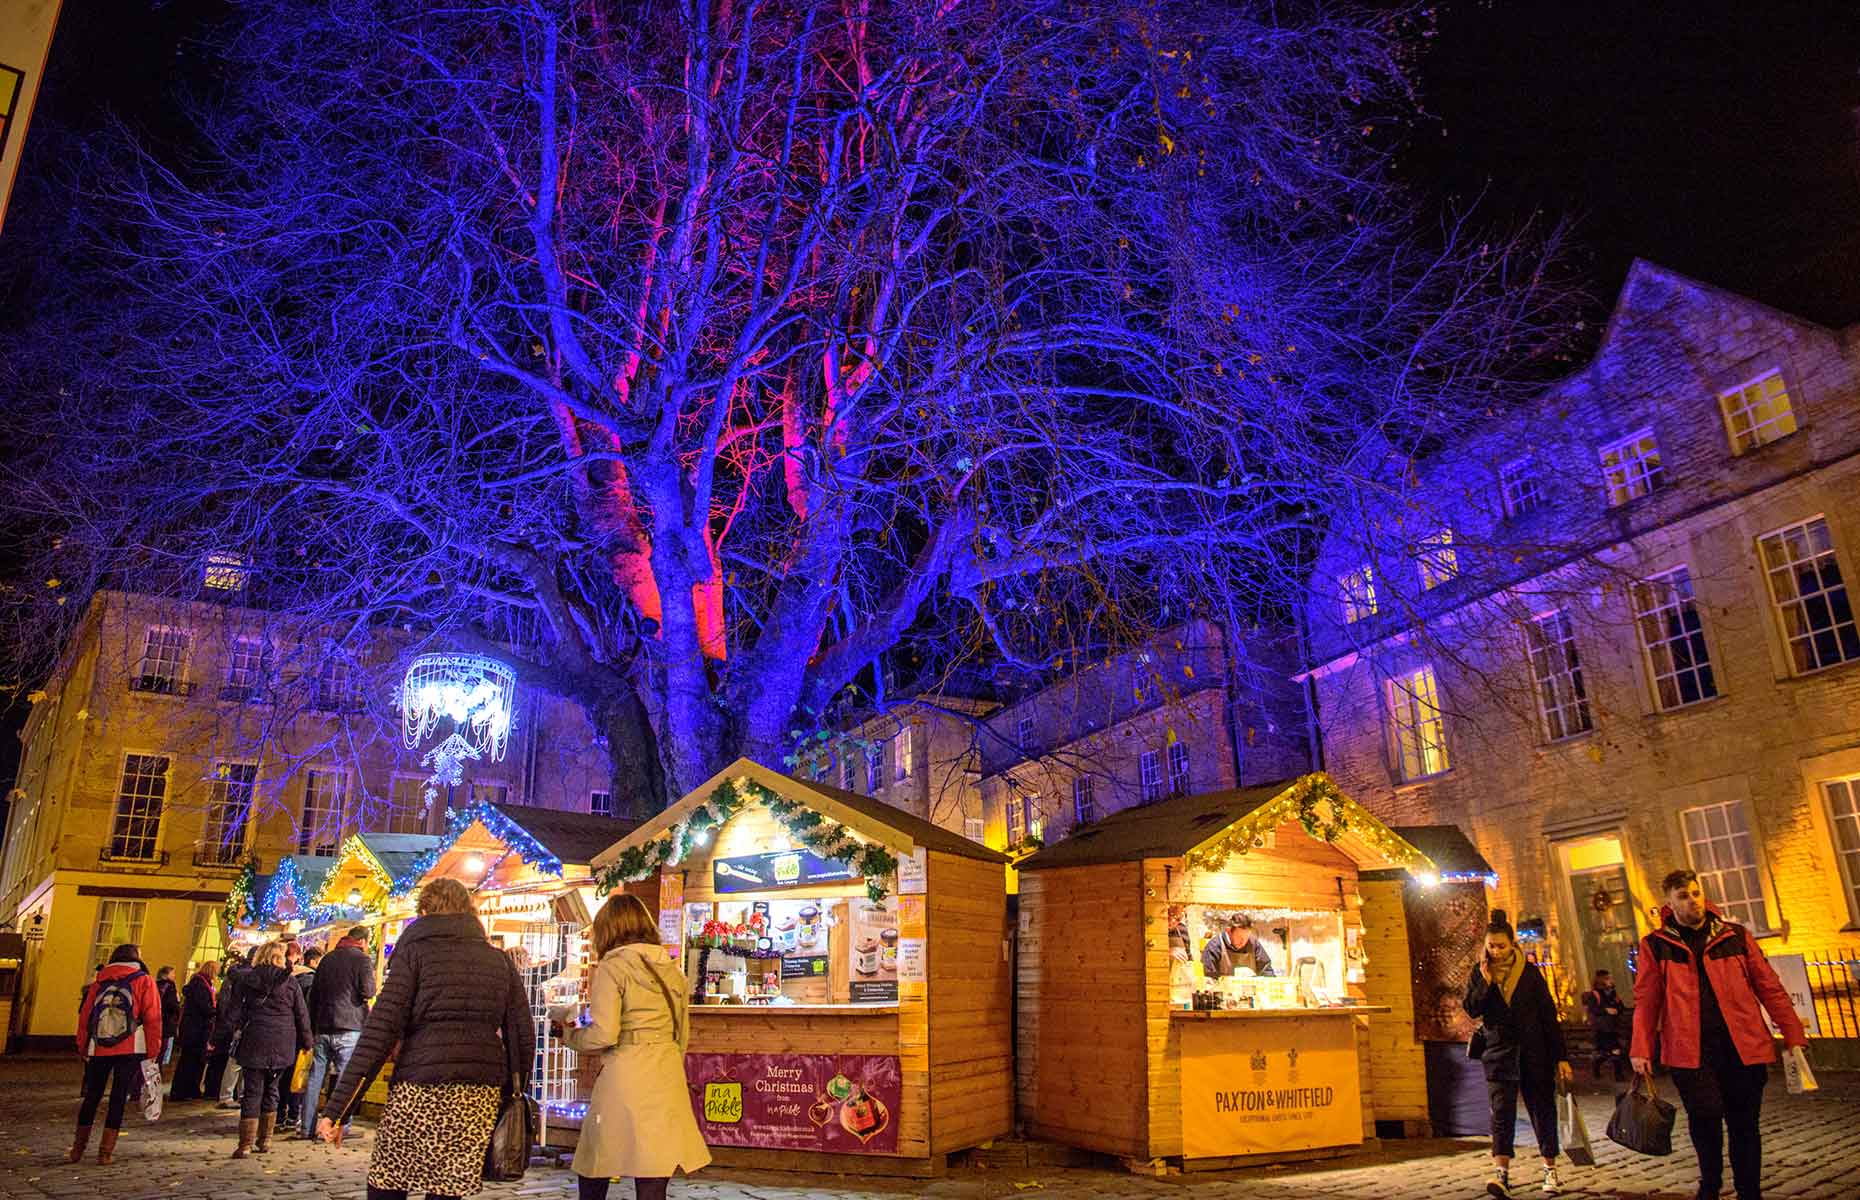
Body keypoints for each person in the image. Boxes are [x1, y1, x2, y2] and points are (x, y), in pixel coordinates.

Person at [319, 879, 533, 1200]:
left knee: (390, 1177)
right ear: (468, 910)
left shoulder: (414, 955)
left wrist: (338, 1109)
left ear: (424, 912)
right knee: (448, 1184)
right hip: (477, 1091)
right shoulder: (499, 961)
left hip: (419, 1084)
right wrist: (512, 1091)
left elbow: (379, 1033)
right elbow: (523, 1035)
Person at [1631, 869, 1807, 1200]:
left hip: (1742, 1046)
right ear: (1669, 902)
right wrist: (1641, 1047)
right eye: (1683, 896)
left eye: (1696, 893)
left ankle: (1748, 1191)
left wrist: (1793, 1033)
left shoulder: (1735, 936)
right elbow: (1647, 998)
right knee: (1705, 1118)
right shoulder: (1656, 945)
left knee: (1744, 1123)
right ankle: (1710, 1184)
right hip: (1690, 1051)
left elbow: (1769, 987)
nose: (1693, 900)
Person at [556, 894, 710, 1200]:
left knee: (595, 1162)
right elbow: (682, 1033)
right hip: (665, 1074)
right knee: (654, 1167)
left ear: (608, 928)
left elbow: (604, 1034)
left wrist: (569, 1036)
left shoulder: (613, 967)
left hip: (625, 1074)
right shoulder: (672, 969)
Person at [1463, 909, 1573, 1198]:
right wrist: (1485, 983)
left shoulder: (1529, 972)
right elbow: (1472, 1009)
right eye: (1491, 946)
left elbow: (1548, 1015)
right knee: (1501, 1113)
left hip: (1534, 1050)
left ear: (1512, 944)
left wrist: (1561, 1056)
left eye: (1501, 945)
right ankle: (1502, 1173)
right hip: (1499, 1051)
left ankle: (1550, 1168)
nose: (1496, 952)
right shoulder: (1479, 972)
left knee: (1542, 1109)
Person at [215, 939, 313, 1158]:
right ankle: (265, 1140)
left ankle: (245, 1144)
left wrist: (219, 1037)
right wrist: (307, 1043)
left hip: (255, 1039)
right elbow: (301, 1015)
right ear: (280, 957)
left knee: (252, 1091)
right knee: (273, 1089)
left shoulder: (247, 980)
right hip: (282, 1041)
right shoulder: (290, 982)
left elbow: (233, 1012)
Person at [69, 944, 163, 1165]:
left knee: (92, 1096)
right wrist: (153, 1050)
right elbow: (153, 1018)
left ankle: (77, 1149)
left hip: (99, 1045)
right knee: (118, 1097)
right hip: (130, 1046)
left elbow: (86, 1016)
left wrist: (82, 1045)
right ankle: (105, 1152)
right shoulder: (143, 980)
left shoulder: (100, 981)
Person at [301, 925, 377, 1140]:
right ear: (363, 941)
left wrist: (314, 1024)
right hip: (350, 1026)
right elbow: (369, 991)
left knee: (315, 1078)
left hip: (324, 1026)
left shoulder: (328, 959)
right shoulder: (362, 960)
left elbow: (314, 995)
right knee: (346, 1080)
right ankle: (340, 1128)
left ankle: (306, 1127)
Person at [278, 944, 321, 1131]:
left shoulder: (288, 978)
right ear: (313, 961)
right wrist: (309, 1036)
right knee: (300, 1074)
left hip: (286, 1032)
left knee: (284, 1076)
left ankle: (279, 1114)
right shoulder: (312, 981)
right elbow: (307, 1012)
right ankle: (294, 1114)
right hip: (302, 1032)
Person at [205, 950, 251, 1105]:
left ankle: (223, 1093)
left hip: (232, 1022)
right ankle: (227, 1095)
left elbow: (226, 1003)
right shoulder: (247, 978)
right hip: (238, 1023)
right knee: (235, 1061)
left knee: (232, 1061)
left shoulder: (234, 976)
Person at [169, 960, 219, 1101]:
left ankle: (190, 1089)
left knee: (195, 1061)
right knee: (190, 1061)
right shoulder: (200, 985)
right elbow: (204, 1006)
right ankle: (182, 1091)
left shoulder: (201, 983)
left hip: (196, 1028)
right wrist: (216, 1011)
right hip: (196, 1029)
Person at [1581, 969, 1628, 1082]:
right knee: (1614, 1050)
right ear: (1602, 981)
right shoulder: (1595, 994)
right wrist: (1606, 1010)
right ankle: (1618, 1075)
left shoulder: (1613, 993)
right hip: (1602, 1029)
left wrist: (1617, 1009)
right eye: (1608, 978)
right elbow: (1593, 1009)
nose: (1611, 980)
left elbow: (1621, 1006)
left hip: (1613, 1026)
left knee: (1608, 1052)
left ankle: (1598, 1064)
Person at [1201, 913, 1274, 979]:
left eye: (1246, 938)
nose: (1243, 942)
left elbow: (1267, 971)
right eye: (1239, 938)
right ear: (1228, 931)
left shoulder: (1253, 943)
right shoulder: (1214, 946)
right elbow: (1209, 978)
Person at [155, 966, 182, 1070]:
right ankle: (156, 1074)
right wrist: (177, 1004)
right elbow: (172, 1005)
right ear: (166, 974)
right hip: (166, 1023)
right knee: (162, 1051)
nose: (175, 976)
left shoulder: (155, 985)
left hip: (155, 1021)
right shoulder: (170, 987)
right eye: (173, 973)